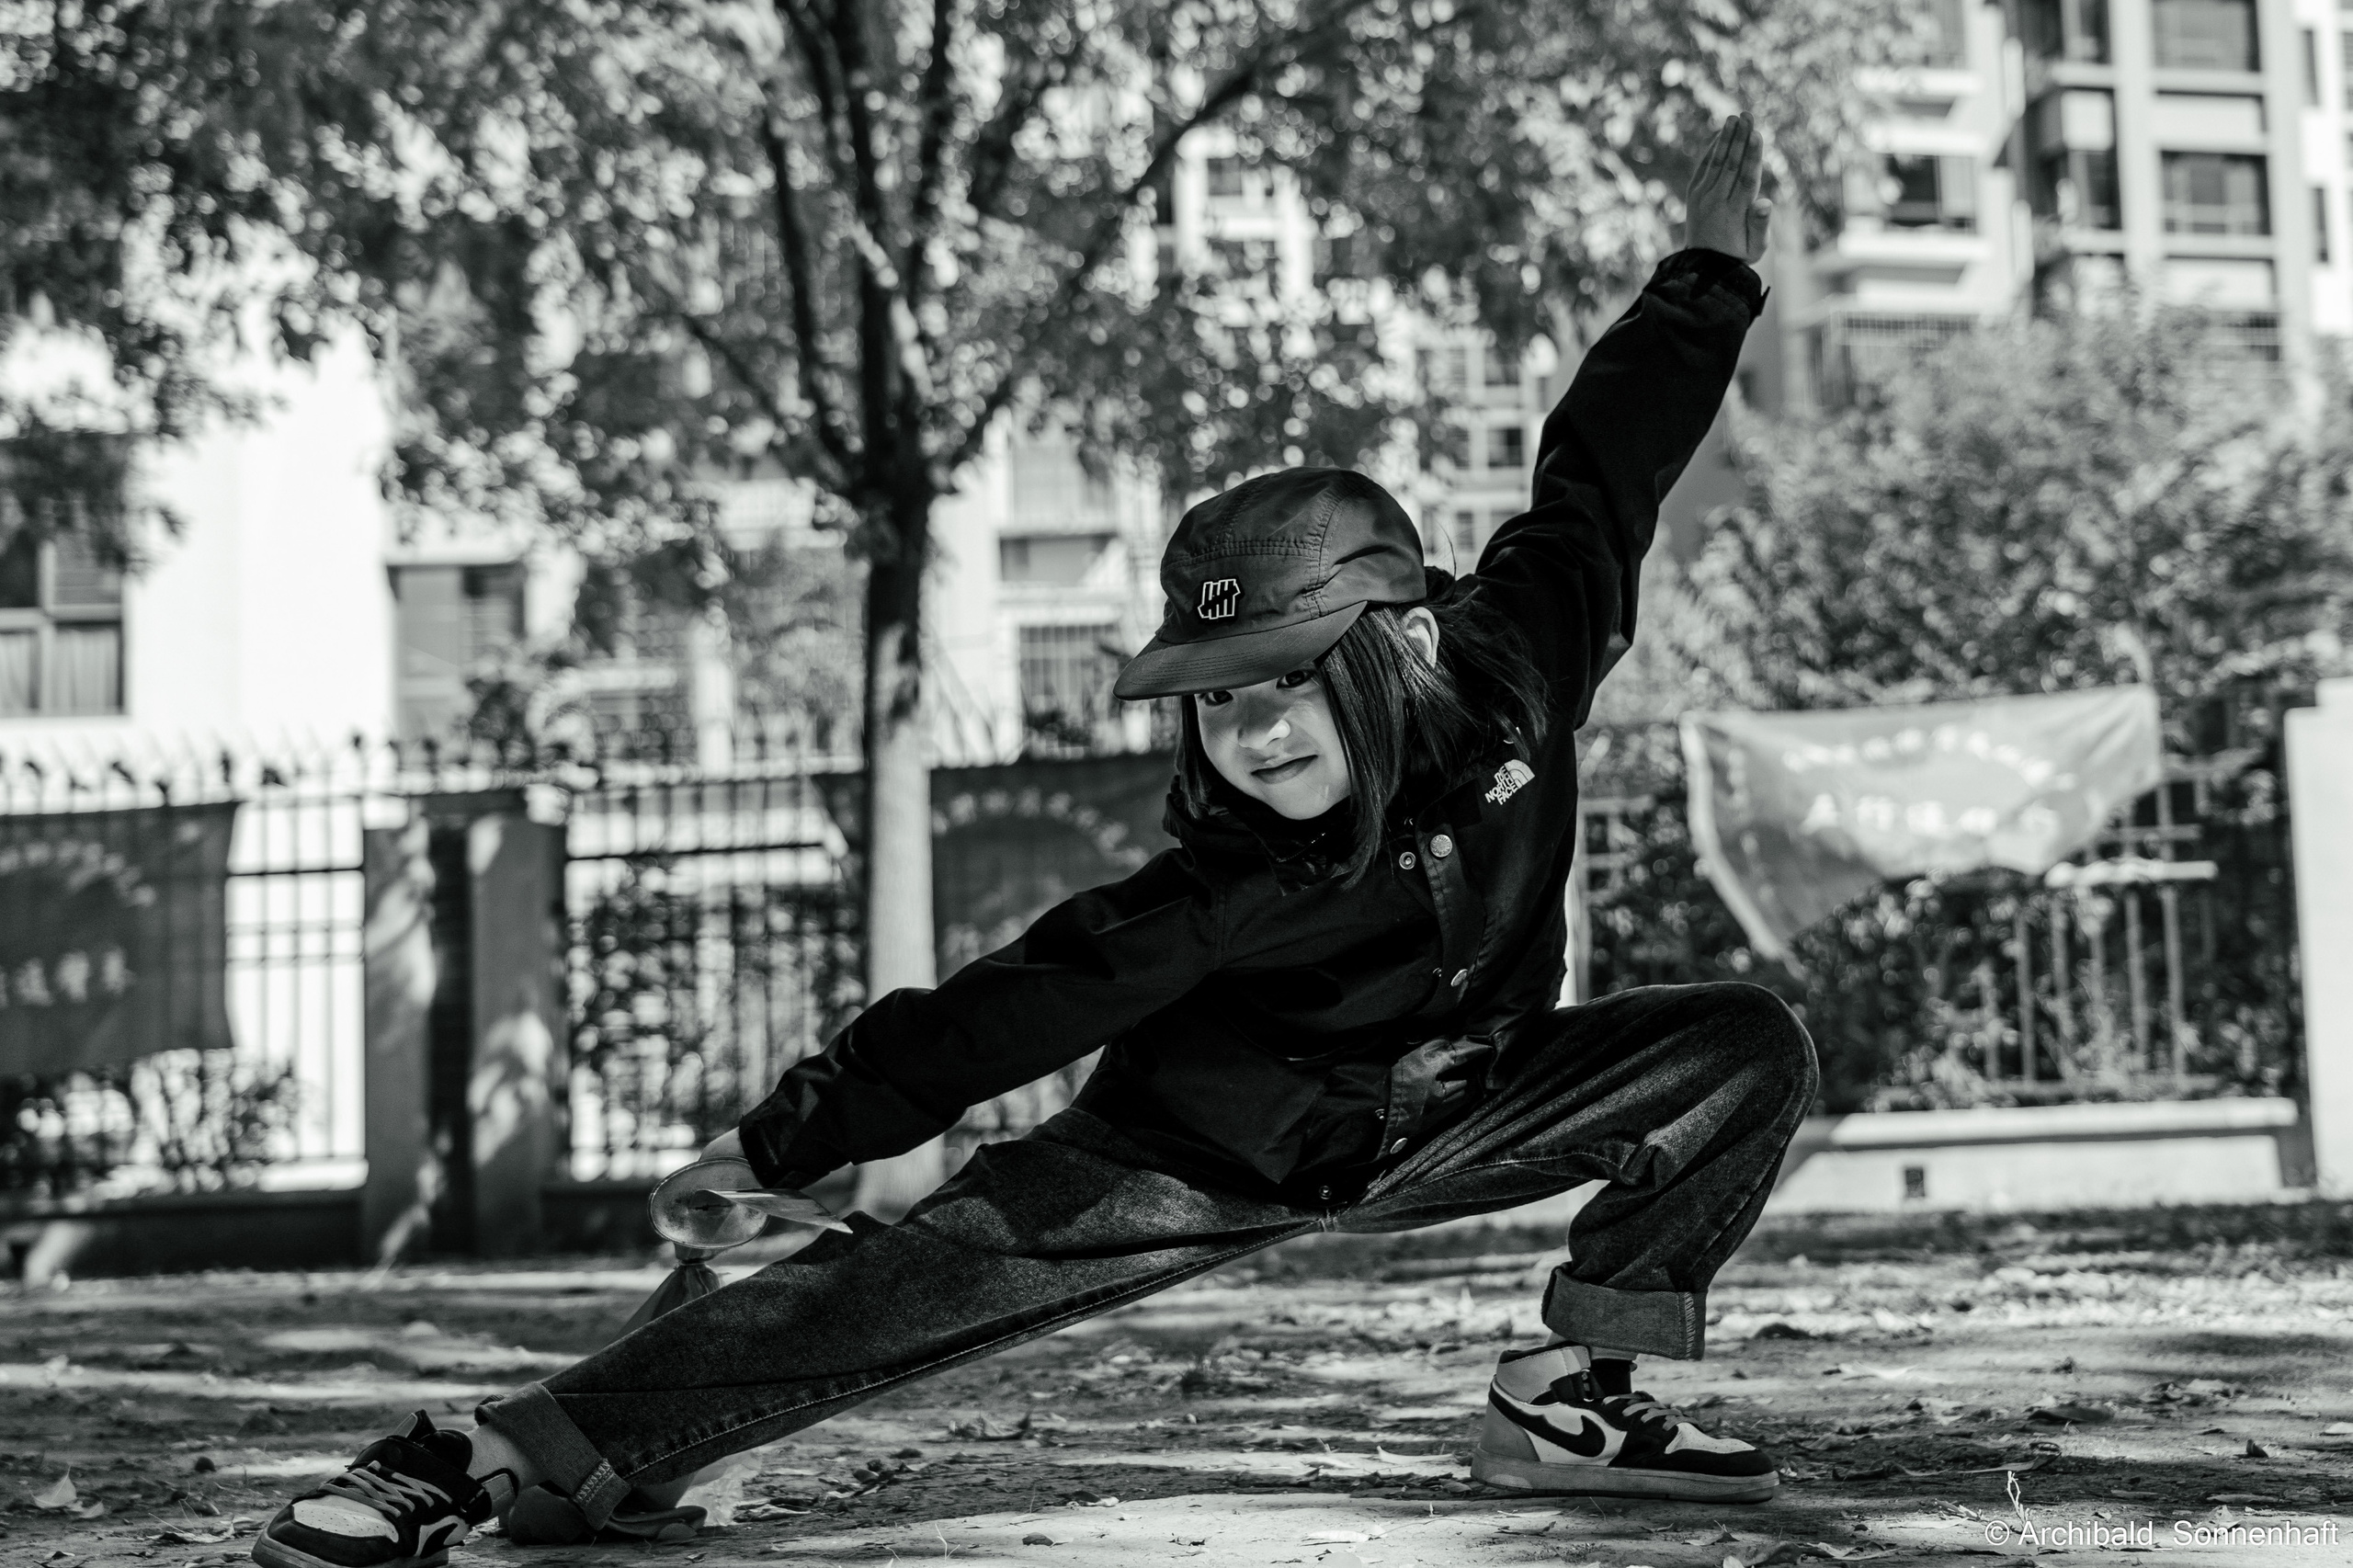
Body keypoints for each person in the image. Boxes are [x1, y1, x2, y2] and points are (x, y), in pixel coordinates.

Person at [255, 113, 1810, 1568]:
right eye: (1213, 703)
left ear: (1383, 651)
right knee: (880, 1293)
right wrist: (794, 1136)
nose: (1252, 735)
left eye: (1287, 688)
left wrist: (1709, 279)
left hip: (1472, 1103)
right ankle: (488, 1455)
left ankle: (1575, 1387)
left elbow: (1606, 462)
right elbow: (1012, 1005)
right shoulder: (1226, 885)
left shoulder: (1523, 650)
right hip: (1192, 1156)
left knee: (1740, 1048)